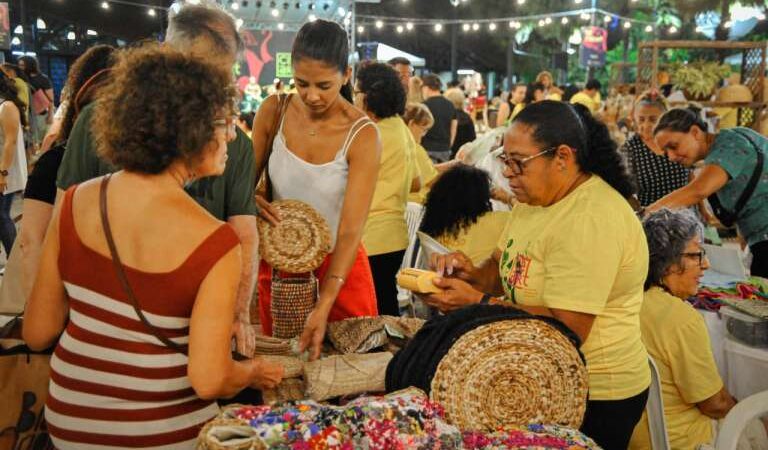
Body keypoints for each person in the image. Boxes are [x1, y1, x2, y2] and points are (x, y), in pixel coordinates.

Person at [22, 44, 284, 450]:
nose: (233, 133)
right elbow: (210, 378)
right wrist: (254, 373)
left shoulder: (75, 201)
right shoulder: (215, 243)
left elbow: (38, 332)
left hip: (68, 423)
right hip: (165, 433)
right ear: (190, 131)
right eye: (225, 122)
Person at [424, 101, 650, 450]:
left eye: (519, 162)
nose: (508, 173)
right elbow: (500, 273)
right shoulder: (531, 203)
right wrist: (468, 274)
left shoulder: (590, 219)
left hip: (596, 390)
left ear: (562, 157)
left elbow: (569, 327)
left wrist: (477, 303)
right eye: (505, 160)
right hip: (539, 372)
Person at [55, 3, 261, 355]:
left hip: (192, 339)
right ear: (162, 58)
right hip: (101, 339)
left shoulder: (234, 144)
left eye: (218, 80)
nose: (202, 94)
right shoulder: (95, 123)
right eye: (195, 74)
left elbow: (244, 235)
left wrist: (237, 315)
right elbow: (58, 234)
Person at [253, 20, 380, 360]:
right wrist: (249, 201)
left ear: (347, 74)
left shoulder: (362, 134)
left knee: (352, 381)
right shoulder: (273, 112)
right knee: (283, 378)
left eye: (324, 85)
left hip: (341, 269)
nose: (311, 95)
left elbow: (352, 229)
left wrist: (325, 302)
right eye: (301, 83)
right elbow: (242, 186)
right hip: (283, 266)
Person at [631, 209, 768, 450]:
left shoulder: (629, 301)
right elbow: (714, 404)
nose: (706, 264)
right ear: (668, 264)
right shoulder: (680, 318)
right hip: (683, 441)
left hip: (637, 438)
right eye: (696, 255)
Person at [15, 45, 116, 303]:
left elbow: (30, 242)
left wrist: (37, 311)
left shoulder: (54, 161)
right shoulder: (139, 166)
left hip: (64, 303)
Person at [648, 106, 768, 277]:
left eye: (673, 146)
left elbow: (698, 190)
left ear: (695, 132)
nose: (672, 157)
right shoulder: (722, 150)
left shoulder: (731, 145)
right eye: (666, 153)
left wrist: (645, 214)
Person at [355, 62, 414, 316]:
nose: (353, 97)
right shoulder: (400, 127)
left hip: (372, 235)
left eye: (356, 92)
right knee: (385, 304)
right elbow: (418, 181)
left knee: (373, 313)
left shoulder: (371, 133)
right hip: (393, 234)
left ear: (369, 96)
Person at [420, 165, 508, 266]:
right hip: (478, 279)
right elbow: (527, 215)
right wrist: (508, 198)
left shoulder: (436, 222)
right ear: (482, 196)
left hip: (438, 278)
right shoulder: (500, 220)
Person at [622, 90, 690, 207]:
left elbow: (691, 178)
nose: (646, 125)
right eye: (641, 119)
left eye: (653, 120)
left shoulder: (678, 140)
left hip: (687, 214)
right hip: (653, 219)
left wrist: (704, 212)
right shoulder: (631, 149)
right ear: (635, 120)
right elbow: (627, 192)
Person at [0, 71, 27, 256]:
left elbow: (10, 141)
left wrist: (3, 173)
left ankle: (14, 259)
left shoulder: (7, 106)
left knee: (1, 215)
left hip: (5, 169)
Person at [404, 102, 439, 204]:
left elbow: (427, 170)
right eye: (424, 130)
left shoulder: (398, 143)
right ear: (412, 124)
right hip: (415, 206)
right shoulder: (416, 149)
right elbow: (433, 181)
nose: (424, 135)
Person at [18, 55, 54, 150]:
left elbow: (50, 99)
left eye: (22, 65)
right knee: (29, 141)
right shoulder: (21, 78)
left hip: (40, 115)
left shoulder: (43, 79)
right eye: (20, 65)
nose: (20, 67)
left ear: (30, 65)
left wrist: (50, 115)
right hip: (26, 114)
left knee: (40, 140)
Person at [420, 74, 457, 163]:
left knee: (429, 176)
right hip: (444, 149)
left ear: (426, 88)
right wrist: (449, 145)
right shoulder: (450, 105)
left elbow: (419, 130)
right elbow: (453, 128)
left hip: (427, 149)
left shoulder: (423, 106)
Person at [444, 87, 476, 158]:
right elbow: (472, 139)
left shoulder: (446, 117)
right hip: (463, 157)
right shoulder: (467, 117)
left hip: (447, 156)